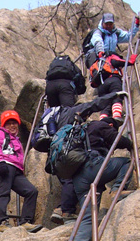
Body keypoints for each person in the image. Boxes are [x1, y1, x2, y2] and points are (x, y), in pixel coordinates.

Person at [48, 93, 128, 226]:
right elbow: (94, 104)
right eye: (86, 115)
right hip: (70, 153)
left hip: (59, 153)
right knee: (71, 179)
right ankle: (65, 211)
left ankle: (63, 209)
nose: (86, 117)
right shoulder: (75, 115)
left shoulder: (63, 120)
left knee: (72, 180)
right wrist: (115, 95)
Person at [68, 110, 134, 241]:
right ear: (111, 125)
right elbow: (116, 139)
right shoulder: (101, 125)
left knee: (89, 214)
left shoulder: (82, 130)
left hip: (78, 178)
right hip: (93, 166)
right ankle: (118, 189)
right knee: (126, 162)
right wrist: (130, 143)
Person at [0, 110, 42, 232]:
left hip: (16, 169)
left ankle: (25, 221)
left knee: (31, 191)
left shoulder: (16, 139)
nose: (12, 126)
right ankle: (1, 222)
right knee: (4, 193)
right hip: (5, 165)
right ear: (4, 125)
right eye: (9, 123)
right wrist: (0, 162)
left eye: (15, 123)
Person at [90, 13, 140, 120]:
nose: (108, 26)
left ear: (113, 24)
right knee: (116, 93)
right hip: (102, 60)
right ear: (102, 23)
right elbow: (97, 40)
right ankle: (116, 115)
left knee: (105, 99)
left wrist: (136, 26)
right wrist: (100, 51)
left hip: (107, 66)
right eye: (106, 24)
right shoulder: (98, 32)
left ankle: (104, 120)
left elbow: (128, 36)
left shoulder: (116, 33)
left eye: (110, 24)